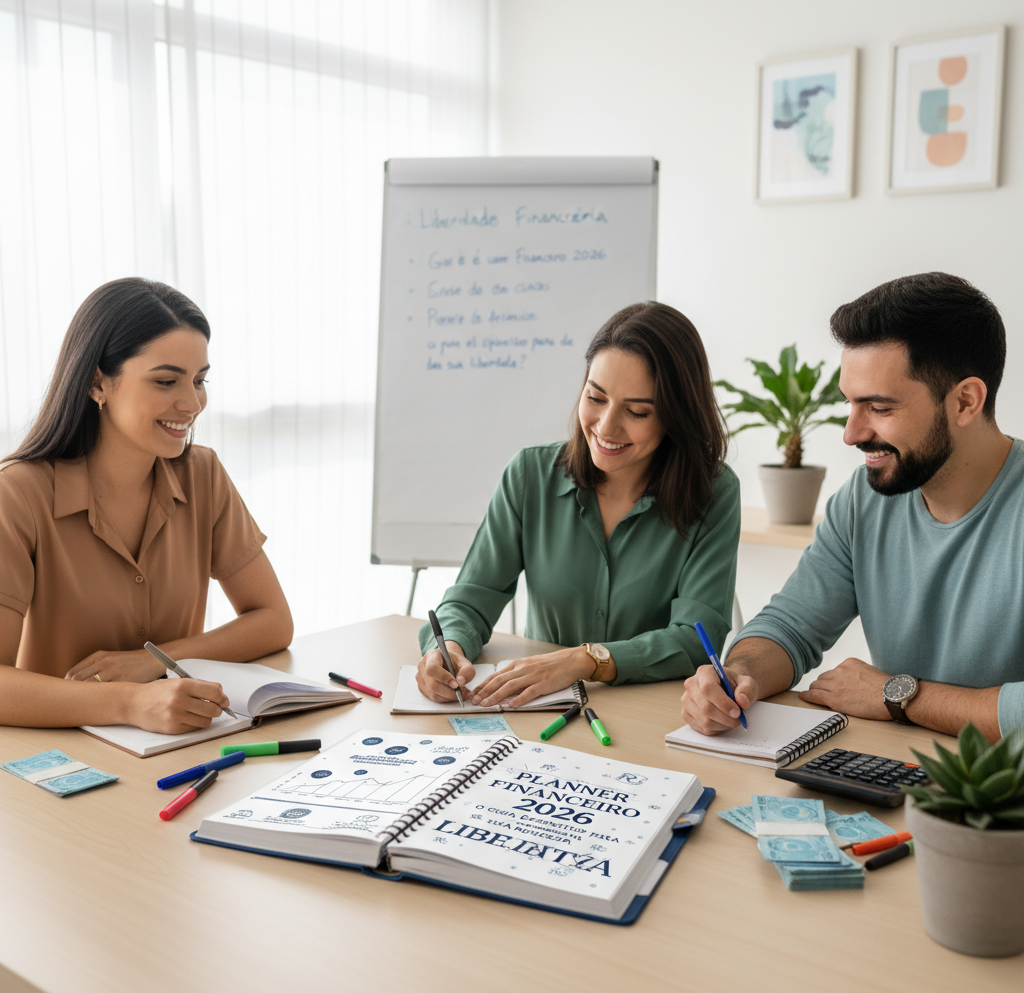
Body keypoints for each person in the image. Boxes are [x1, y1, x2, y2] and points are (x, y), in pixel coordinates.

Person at [680, 271, 1024, 742]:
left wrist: (901, 694)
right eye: (850, 404)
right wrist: (738, 676)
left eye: (879, 408)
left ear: (965, 401)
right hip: (899, 776)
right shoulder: (864, 500)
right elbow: (791, 625)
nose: (851, 433)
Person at [0, 278, 293, 734]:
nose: (192, 403)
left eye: (200, 380)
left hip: (174, 743)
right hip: (56, 759)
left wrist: (150, 662)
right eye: (165, 381)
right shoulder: (18, 494)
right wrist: (130, 702)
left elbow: (273, 621)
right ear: (98, 382)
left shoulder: (202, 475)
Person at [416, 301, 741, 709]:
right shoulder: (529, 475)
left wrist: (585, 660)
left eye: (637, 411)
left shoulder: (714, 493)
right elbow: (470, 598)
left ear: (676, 416)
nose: (606, 427)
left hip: (649, 717)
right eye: (596, 397)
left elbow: (695, 638)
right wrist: (447, 647)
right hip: (537, 713)